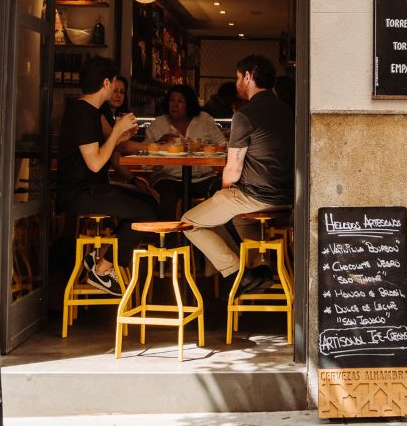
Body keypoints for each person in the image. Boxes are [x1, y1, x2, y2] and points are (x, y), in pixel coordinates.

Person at [182, 55, 294, 293]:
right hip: (287, 198)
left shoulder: (245, 114)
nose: (236, 84)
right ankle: (258, 268)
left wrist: (224, 192)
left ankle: (238, 273)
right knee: (229, 214)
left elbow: (232, 170)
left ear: (248, 76)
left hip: (256, 197)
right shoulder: (287, 111)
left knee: (189, 223)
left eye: (237, 77)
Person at [56, 56, 159, 295]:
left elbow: (102, 151)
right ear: (105, 83)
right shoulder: (82, 114)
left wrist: (120, 136)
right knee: (146, 213)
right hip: (80, 194)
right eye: (114, 82)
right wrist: (118, 132)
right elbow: (94, 163)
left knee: (147, 203)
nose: (115, 87)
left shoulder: (90, 111)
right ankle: (102, 270)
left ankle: (99, 257)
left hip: (92, 189)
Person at [136, 84, 226, 210]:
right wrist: (158, 145)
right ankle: (168, 230)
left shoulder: (204, 119)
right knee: (165, 198)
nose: (175, 104)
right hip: (168, 178)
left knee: (220, 197)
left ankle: (205, 229)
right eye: (172, 100)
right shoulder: (157, 125)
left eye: (181, 101)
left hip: (203, 177)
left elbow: (223, 145)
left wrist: (205, 148)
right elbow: (146, 165)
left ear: (189, 104)